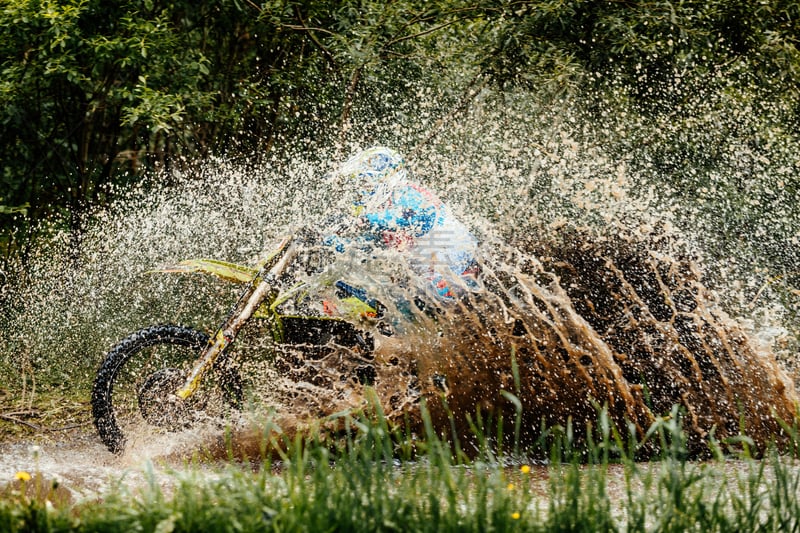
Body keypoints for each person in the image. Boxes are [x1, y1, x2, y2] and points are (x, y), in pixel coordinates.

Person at [317, 146, 479, 320]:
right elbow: (360, 247)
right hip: (432, 287)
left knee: (392, 300)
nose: (360, 192)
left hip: (455, 273)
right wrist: (325, 240)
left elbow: (417, 216)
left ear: (382, 179)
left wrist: (365, 220)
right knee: (372, 289)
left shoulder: (406, 193)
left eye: (364, 184)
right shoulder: (381, 211)